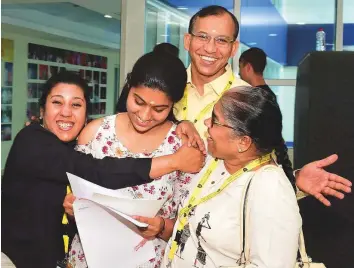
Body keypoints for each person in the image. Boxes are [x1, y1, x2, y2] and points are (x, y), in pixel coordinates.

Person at [1, 71, 204, 268]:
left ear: (86, 114)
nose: (66, 112)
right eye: (57, 102)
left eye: (76, 105)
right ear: (42, 110)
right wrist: (174, 161)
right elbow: (99, 171)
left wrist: (181, 123)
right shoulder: (31, 141)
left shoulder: (74, 146)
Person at [173, 4, 351, 206]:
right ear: (188, 41)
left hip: (223, 223)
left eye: (222, 40)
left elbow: (264, 169)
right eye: (203, 37)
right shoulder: (164, 90)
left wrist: (296, 182)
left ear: (234, 49)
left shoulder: (250, 100)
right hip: (152, 223)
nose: (210, 48)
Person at [66, 51, 202, 268]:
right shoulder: (95, 133)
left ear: (174, 103)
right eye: (138, 101)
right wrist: (74, 210)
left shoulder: (182, 147)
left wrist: (161, 227)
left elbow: (190, 227)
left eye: (159, 109)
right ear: (129, 86)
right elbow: (79, 201)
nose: (145, 115)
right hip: (88, 259)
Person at [162, 86, 303, 267]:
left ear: (243, 142)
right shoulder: (217, 160)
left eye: (214, 120)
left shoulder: (269, 188)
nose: (206, 123)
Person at [116, 43, 179, 113]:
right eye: (138, 102)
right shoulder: (139, 76)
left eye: (159, 109)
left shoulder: (175, 84)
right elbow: (121, 108)